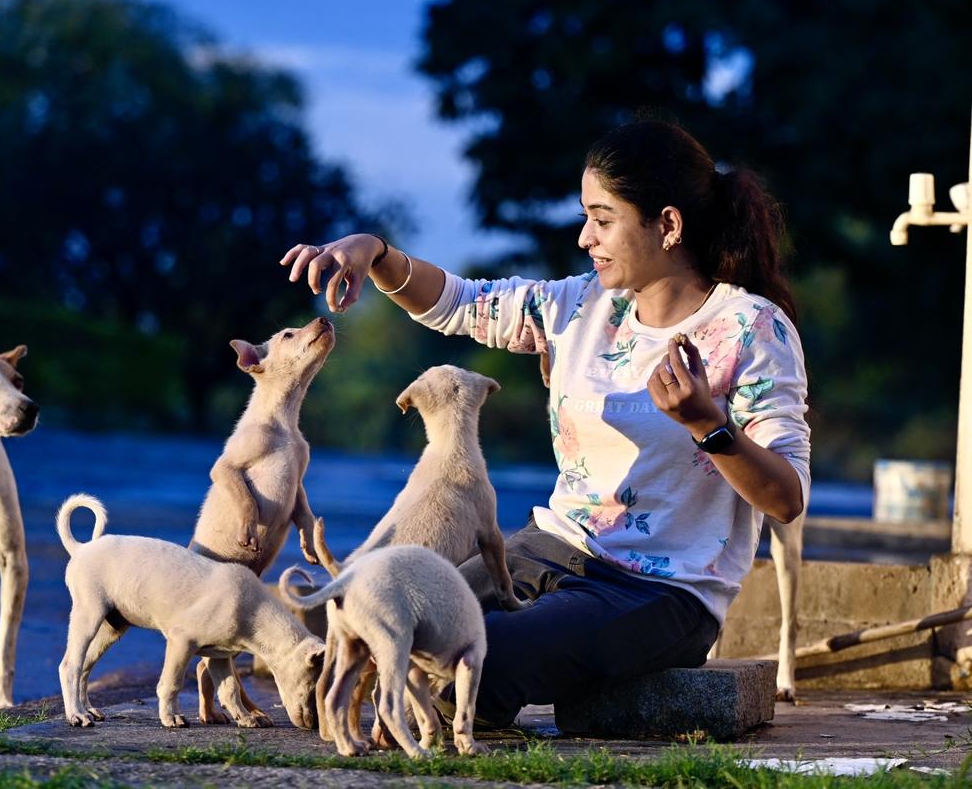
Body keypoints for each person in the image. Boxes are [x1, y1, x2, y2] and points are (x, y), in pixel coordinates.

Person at [279, 120, 810, 729]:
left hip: (660, 594)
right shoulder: (580, 305)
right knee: (388, 614)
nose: (586, 237)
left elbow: (786, 497)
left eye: (603, 219)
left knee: (473, 660)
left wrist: (708, 425)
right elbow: (457, 302)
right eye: (586, 217)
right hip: (545, 550)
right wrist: (373, 251)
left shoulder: (751, 329)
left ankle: (482, 689)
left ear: (667, 225)